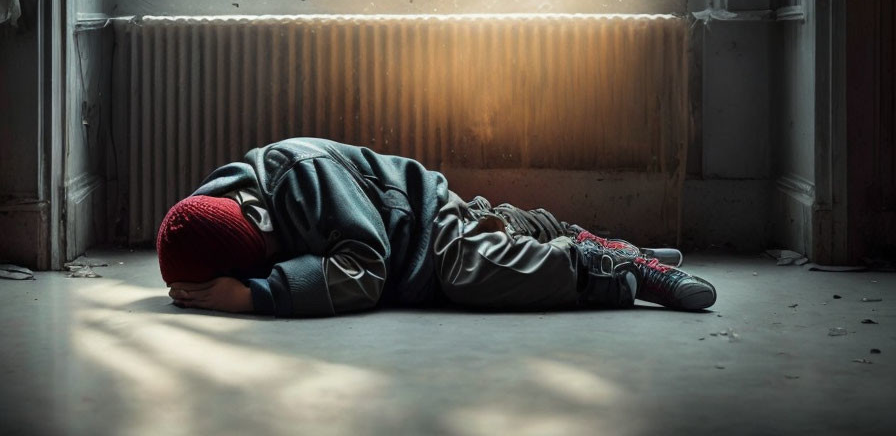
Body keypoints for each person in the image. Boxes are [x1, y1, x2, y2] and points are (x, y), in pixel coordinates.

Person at [158, 138, 716, 316]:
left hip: (429, 234)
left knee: (471, 269)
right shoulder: (222, 197)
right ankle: (587, 237)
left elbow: (367, 269)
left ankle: (615, 270)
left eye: (268, 254)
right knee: (504, 230)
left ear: (257, 220)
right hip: (440, 218)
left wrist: (257, 294)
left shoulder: (302, 178)